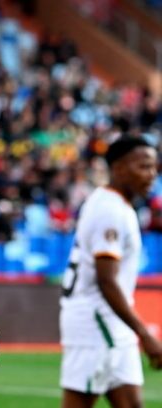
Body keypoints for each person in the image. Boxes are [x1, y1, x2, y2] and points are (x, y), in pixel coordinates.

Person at [60, 136, 162, 408]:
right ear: (118, 168)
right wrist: (145, 334)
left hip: (111, 323)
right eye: (143, 166)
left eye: (154, 167)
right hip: (96, 322)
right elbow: (106, 281)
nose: (152, 174)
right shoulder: (110, 210)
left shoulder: (112, 203)